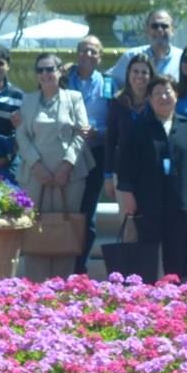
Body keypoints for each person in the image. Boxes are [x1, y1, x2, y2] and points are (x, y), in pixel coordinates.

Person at [15, 53, 91, 281]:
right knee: (33, 230)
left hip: (69, 176)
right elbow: (21, 135)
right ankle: (34, 288)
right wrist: (36, 165)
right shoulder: (28, 100)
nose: (45, 74)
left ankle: (62, 287)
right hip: (35, 176)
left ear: (60, 71)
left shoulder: (74, 98)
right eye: (40, 70)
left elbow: (82, 132)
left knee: (64, 230)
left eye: (50, 69)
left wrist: (66, 166)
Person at [116, 76, 187, 281]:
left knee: (178, 255)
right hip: (147, 201)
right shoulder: (138, 127)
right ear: (149, 99)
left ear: (176, 95)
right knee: (147, 256)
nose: (163, 97)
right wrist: (127, 194)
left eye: (167, 92)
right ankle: (146, 296)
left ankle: (177, 293)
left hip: (179, 200)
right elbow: (125, 164)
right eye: (157, 93)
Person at [63, 35, 110, 274]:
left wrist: (99, 132)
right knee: (65, 209)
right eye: (83, 50)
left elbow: (115, 118)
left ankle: (80, 268)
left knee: (87, 212)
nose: (88, 55)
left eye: (93, 51)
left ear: (100, 57)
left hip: (95, 152)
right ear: (77, 53)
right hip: (65, 153)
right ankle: (60, 261)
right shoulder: (64, 79)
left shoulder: (109, 83)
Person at [104, 54, 154, 201]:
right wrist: (108, 176)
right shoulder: (118, 101)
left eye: (144, 72)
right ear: (128, 74)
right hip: (123, 171)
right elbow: (111, 139)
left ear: (151, 76)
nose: (139, 76)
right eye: (135, 71)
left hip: (152, 171)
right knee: (127, 215)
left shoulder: (156, 101)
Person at [109, 10, 182, 86]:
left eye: (164, 26)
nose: (159, 30)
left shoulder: (182, 58)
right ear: (146, 30)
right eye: (155, 26)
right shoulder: (131, 56)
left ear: (172, 30)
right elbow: (110, 79)